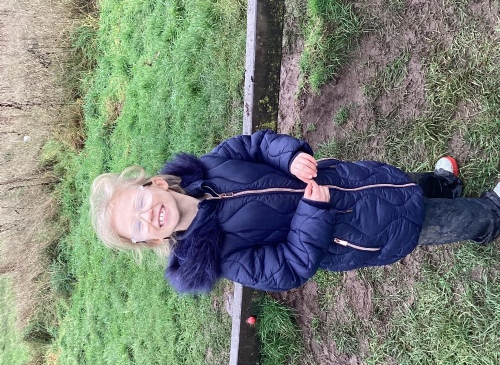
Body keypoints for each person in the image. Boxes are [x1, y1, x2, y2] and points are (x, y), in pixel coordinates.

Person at [90, 130, 500, 293]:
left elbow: (256, 146)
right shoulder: (222, 257)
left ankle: (441, 185)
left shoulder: (210, 165)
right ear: (152, 241)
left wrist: (288, 157)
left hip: (347, 181)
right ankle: (489, 215)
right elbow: (288, 267)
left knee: (397, 184)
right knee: (421, 222)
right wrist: (312, 212)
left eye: (140, 203)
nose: (148, 216)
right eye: (138, 228)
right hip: (352, 230)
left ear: (156, 184)